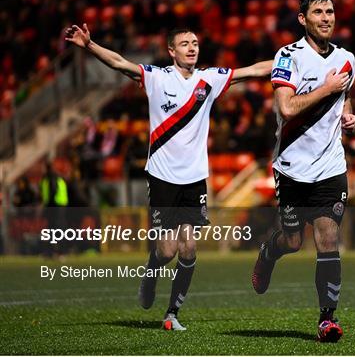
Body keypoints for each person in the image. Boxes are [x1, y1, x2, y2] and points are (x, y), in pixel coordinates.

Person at [64, 23, 272, 331]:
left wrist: (291, 59)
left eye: (195, 42)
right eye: (184, 43)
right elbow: (121, 64)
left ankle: (172, 313)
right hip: (162, 177)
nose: (192, 47)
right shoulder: (157, 78)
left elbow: (253, 70)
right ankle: (151, 271)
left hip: (194, 179)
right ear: (171, 51)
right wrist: (90, 46)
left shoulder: (209, 79)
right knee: (167, 250)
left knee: (188, 248)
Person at [251, 0, 355, 343]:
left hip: (330, 166)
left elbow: (343, 95)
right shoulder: (288, 56)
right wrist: (327, 90)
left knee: (328, 238)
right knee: (293, 241)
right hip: (292, 167)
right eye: (318, 12)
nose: (326, 17)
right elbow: (287, 108)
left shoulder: (347, 59)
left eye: (330, 10)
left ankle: (327, 318)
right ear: (303, 19)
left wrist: (346, 114)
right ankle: (269, 252)